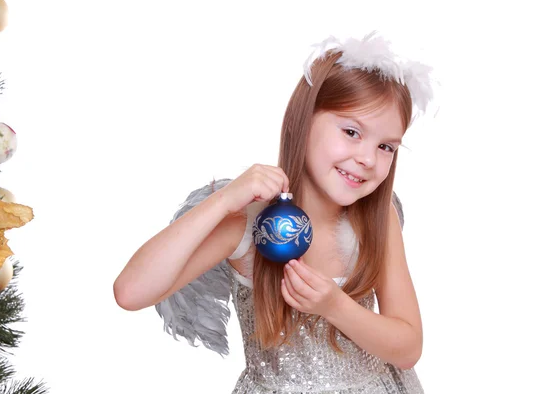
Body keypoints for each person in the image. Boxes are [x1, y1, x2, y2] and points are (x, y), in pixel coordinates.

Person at [113, 31, 435, 393]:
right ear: (305, 121)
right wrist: (222, 201)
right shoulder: (248, 225)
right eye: (351, 131)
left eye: (386, 147)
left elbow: (408, 347)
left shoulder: (376, 219)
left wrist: (335, 307)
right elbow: (130, 292)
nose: (367, 158)